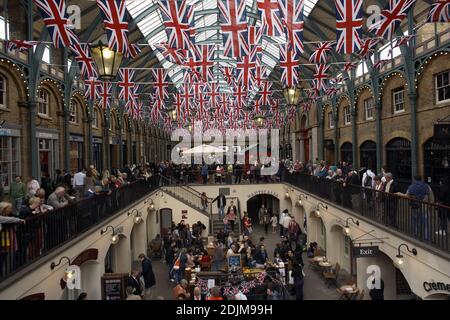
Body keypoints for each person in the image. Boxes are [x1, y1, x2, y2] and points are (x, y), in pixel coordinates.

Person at [406, 175, 434, 241]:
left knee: (415, 222)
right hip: (425, 207)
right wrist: (431, 205)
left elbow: (407, 196)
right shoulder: (426, 186)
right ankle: (427, 237)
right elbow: (431, 196)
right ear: (421, 179)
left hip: (415, 207)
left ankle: (416, 235)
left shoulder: (411, 187)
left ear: (414, 179)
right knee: (426, 224)